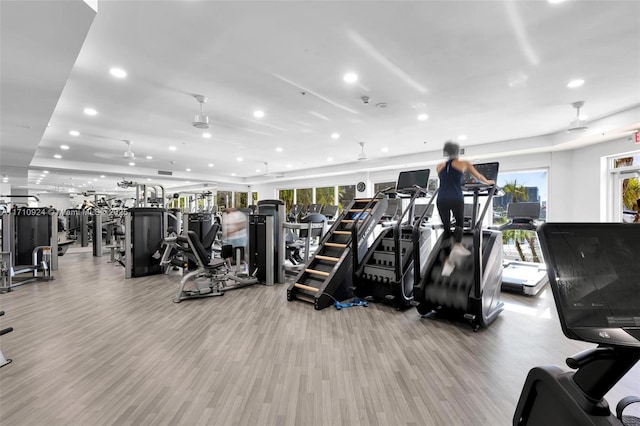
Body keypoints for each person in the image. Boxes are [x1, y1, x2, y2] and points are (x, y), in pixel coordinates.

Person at [437, 141, 495, 276]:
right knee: (459, 224)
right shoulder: (465, 163)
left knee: (446, 229)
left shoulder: (439, 166)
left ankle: (447, 262)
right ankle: (457, 245)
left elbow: (446, 179)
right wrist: (489, 182)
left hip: (441, 199)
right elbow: (479, 177)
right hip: (456, 197)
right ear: (457, 152)